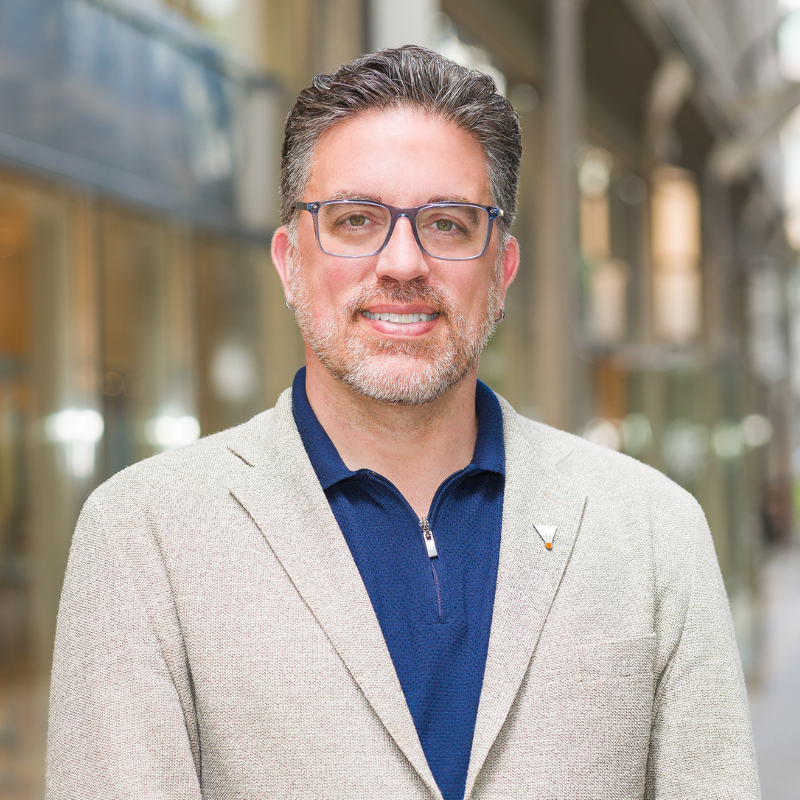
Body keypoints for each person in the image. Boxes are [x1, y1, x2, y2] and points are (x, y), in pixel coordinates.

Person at [46, 46, 759, 800]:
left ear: (502, 270)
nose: (403, 262)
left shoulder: (654, 532)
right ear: (289, 263)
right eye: (356, 220)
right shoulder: (144, 536)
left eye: (448, 225)